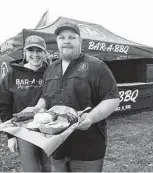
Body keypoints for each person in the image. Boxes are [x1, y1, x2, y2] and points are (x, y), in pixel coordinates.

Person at [23, 20, 120, 172]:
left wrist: (91, 117)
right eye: (62, 38)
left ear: (80, 41)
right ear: (57, 42)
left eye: (71, 37)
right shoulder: (51, 69)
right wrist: (38, 107)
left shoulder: (96, 65)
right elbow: (46, 96)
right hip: (56, 146)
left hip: (87, 146)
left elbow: (113, 98)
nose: (66, 41)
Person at [0, 35, 51, 172]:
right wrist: (11, 135)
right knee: (31, 169)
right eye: (31, 50)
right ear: (24, 52)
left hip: (49, 129)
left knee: (49, 168)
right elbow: (4, 104)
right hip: (23, 131)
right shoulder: (12, 74)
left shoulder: (51, 73)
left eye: (39, 50)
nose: (35, 54)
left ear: (45, 53)